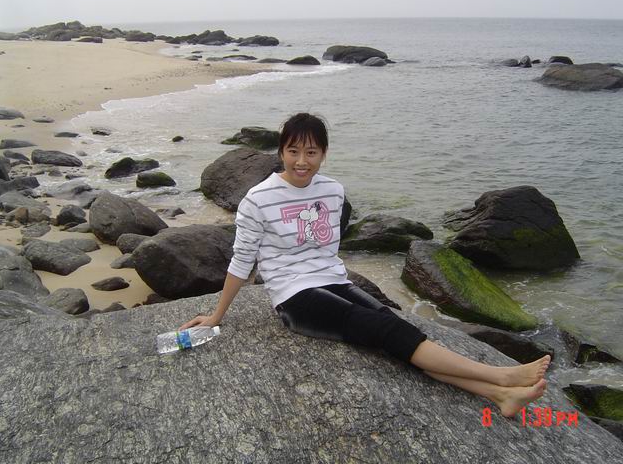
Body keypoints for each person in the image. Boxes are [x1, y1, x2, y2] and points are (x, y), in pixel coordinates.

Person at [179, 112, 550, 418]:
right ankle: (501, 377)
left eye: (311, 152)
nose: (301, 161)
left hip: (334, 281)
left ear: (324, 154)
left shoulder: (332, 191)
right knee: (386, 330)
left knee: (396, 331)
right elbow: (242, 261)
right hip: (294, 297)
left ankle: (499, 395)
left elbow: (326, 250)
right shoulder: (258, 200)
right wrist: (216, 316)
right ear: (281, 152)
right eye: (293, 151)